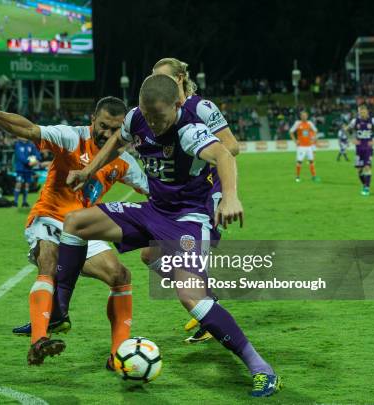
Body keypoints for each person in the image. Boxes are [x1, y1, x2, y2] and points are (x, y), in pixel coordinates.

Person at [51, 75, 280, 397]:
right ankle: (58, 311)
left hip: (188, 219)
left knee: (191, 297)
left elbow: (225, 155)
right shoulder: (136, 117)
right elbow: (118, 139)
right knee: (75, 222)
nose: (154, 125)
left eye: (159, 117)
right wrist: (90, 171)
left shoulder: (189, 130)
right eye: (148, 116)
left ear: (177, 105)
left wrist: (230, 196)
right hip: (153, 210)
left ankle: (261, 368)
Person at [0, 94, 148, 367]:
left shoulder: (124, 162)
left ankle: (118, 355)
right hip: (49, 217)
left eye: (115, 129)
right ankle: (39, 341)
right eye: (103, 126)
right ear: (92, 120)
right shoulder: (72, 137)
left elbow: (155, 192)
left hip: (83, 228)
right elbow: (27, 129)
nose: (107, 133)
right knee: (48, 260)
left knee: (120, 275)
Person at [148, 57, 239, 343]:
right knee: (151, 255)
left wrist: (202, 156)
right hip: (179, 196)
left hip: (206, 193)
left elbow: (232, 146)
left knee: (193, 257)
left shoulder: (200, 107)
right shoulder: (162, 110)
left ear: (179, 79)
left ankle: (208, 314)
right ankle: (208, 304)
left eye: (163, 79)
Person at [346, 104, 374, 196]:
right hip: (359, 149)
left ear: (367, 111)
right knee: (359, 170)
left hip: (368, 148)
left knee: (367, 167)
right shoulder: (355, 121)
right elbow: (346, 129)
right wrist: (351, 139)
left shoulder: (372, 120)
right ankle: (365, 185)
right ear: (358, 112)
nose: (362, 114)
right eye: (360, 112)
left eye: (363, 112)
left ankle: (367, 188)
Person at [289, 111, 319, 182]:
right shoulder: (297, 123)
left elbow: (315, 130)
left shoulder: (309, 123)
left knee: (311, 161)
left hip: (309, 146)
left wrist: (313, 137)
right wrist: (295, 141)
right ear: (300, 116)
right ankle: (297, 177)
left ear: (307, 116)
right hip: (301, 146)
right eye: (302, 116)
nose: (304, 117)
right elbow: (291, 132)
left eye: (305, 116)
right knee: (299, 161)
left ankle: (314, 176)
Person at [13, 138, 41, 207]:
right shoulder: (18, 145)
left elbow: (37, 154)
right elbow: (20, 156)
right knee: (18, 183)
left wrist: (37, 160)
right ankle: (15, 202)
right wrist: (28, 162)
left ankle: (24, 202)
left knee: (27, 184)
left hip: (28, 169)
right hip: (20, 168)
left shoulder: (31, 145)